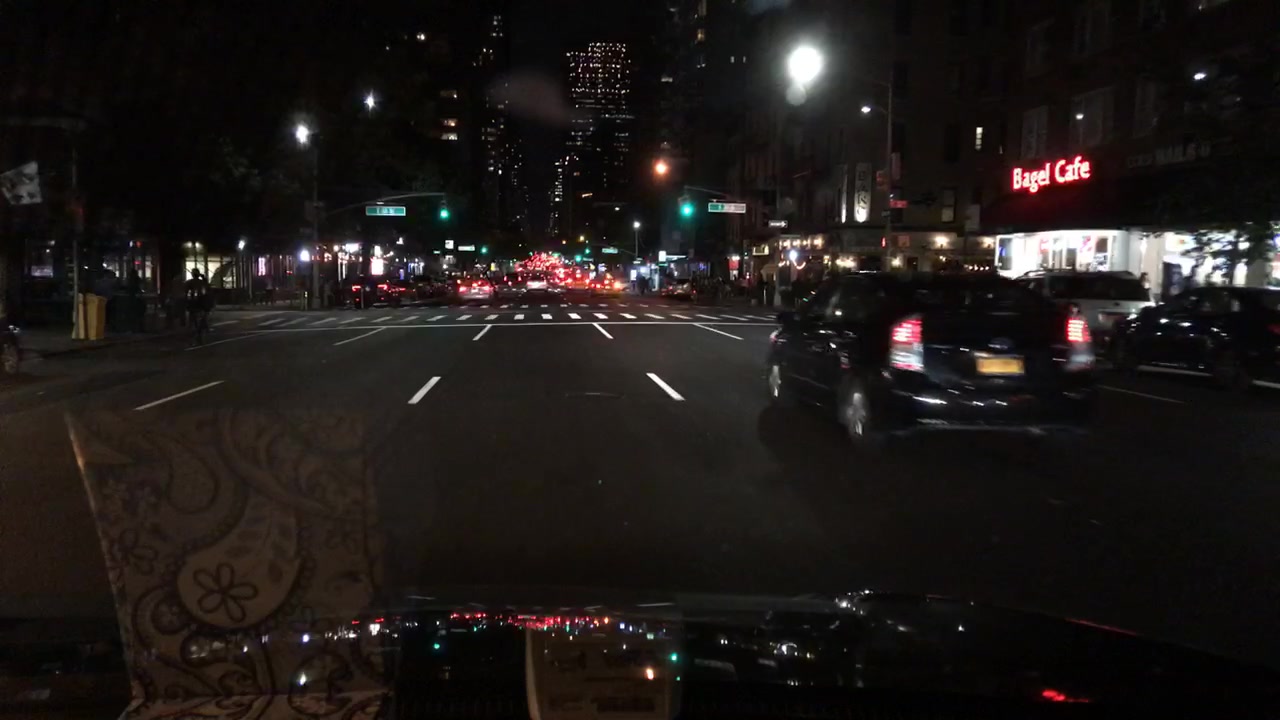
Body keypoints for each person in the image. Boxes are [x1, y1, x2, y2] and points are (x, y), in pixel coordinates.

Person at [185, 269, 212, 345]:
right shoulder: (200, 282)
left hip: (197, 303)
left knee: (195, 318)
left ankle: (197, 332)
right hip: (199, 303)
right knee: (199, 318)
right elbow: (208, 289)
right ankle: (199, 332)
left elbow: (185, 291)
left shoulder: (191, 282)